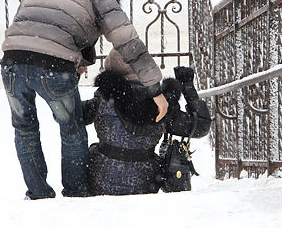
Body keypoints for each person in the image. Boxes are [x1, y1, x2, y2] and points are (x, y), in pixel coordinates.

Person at [0, 0, 168, 200]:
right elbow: (127, 42)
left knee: (24, 129)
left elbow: (46, 30)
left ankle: (37, 194)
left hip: (11, 63)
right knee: (72, 129)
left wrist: (79, 63)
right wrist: (154, 87)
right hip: (54, 66)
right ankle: (76, 192)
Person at [82, 49, 211, 196]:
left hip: (102, 179)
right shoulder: (162, 105)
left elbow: (66, 115)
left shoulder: (101, 100)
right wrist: (187, 87)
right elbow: (201, 127)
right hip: (146, 182)